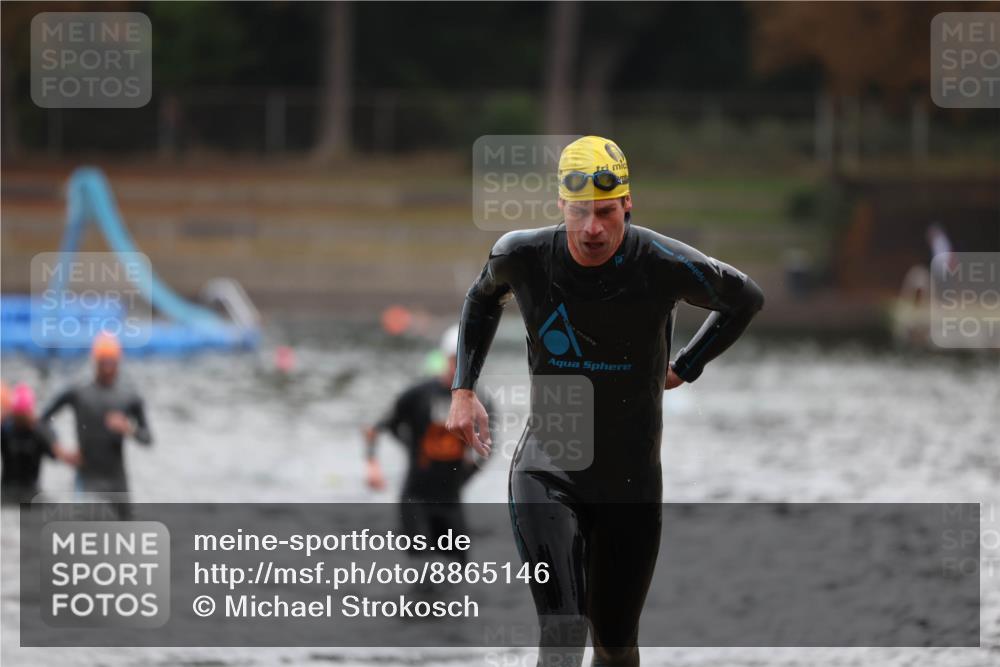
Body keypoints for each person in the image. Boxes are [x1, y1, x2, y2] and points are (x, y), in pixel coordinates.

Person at [446, 136, 764, 666]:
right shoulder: (522, 255)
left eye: (606, 213)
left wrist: (685, 366)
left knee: (616, 645)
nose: (592, 228)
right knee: (564, 630)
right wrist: (463, 389)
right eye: (580, 213)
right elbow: (481, 299)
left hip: (631, 481)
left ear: (627, 206)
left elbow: (745, 298)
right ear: (560, 207)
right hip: (550, 468)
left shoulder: (661, 261)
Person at [363, 324, 490, 565]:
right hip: (416, 499)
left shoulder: (480, 402)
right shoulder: (418, 395)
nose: (460, 369)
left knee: (459, 571)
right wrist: (373, 464)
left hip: (451, 500)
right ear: (445, 359)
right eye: (456, 361)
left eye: (468, 363)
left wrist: (467, 472)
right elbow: (376, 428)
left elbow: (489, 447)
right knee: (423, 575)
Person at [41, 333, 152, 518]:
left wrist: (129, 428)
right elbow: (42, 421)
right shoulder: (78, 393)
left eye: (112, 362)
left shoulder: (129, 397)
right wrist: (59, 450)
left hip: (117, 480)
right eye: (104, 362)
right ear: (96, 362)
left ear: (118, 362)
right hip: (87, 477)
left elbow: (148, 438)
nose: (108, 368)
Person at [1, 384, 79, 505]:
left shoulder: (39, 432)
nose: (20, 419)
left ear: (30, 412)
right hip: (6, 491)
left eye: (23, 415)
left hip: (31, 492)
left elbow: (59, 454)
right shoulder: (6, 430)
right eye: (18, 415)